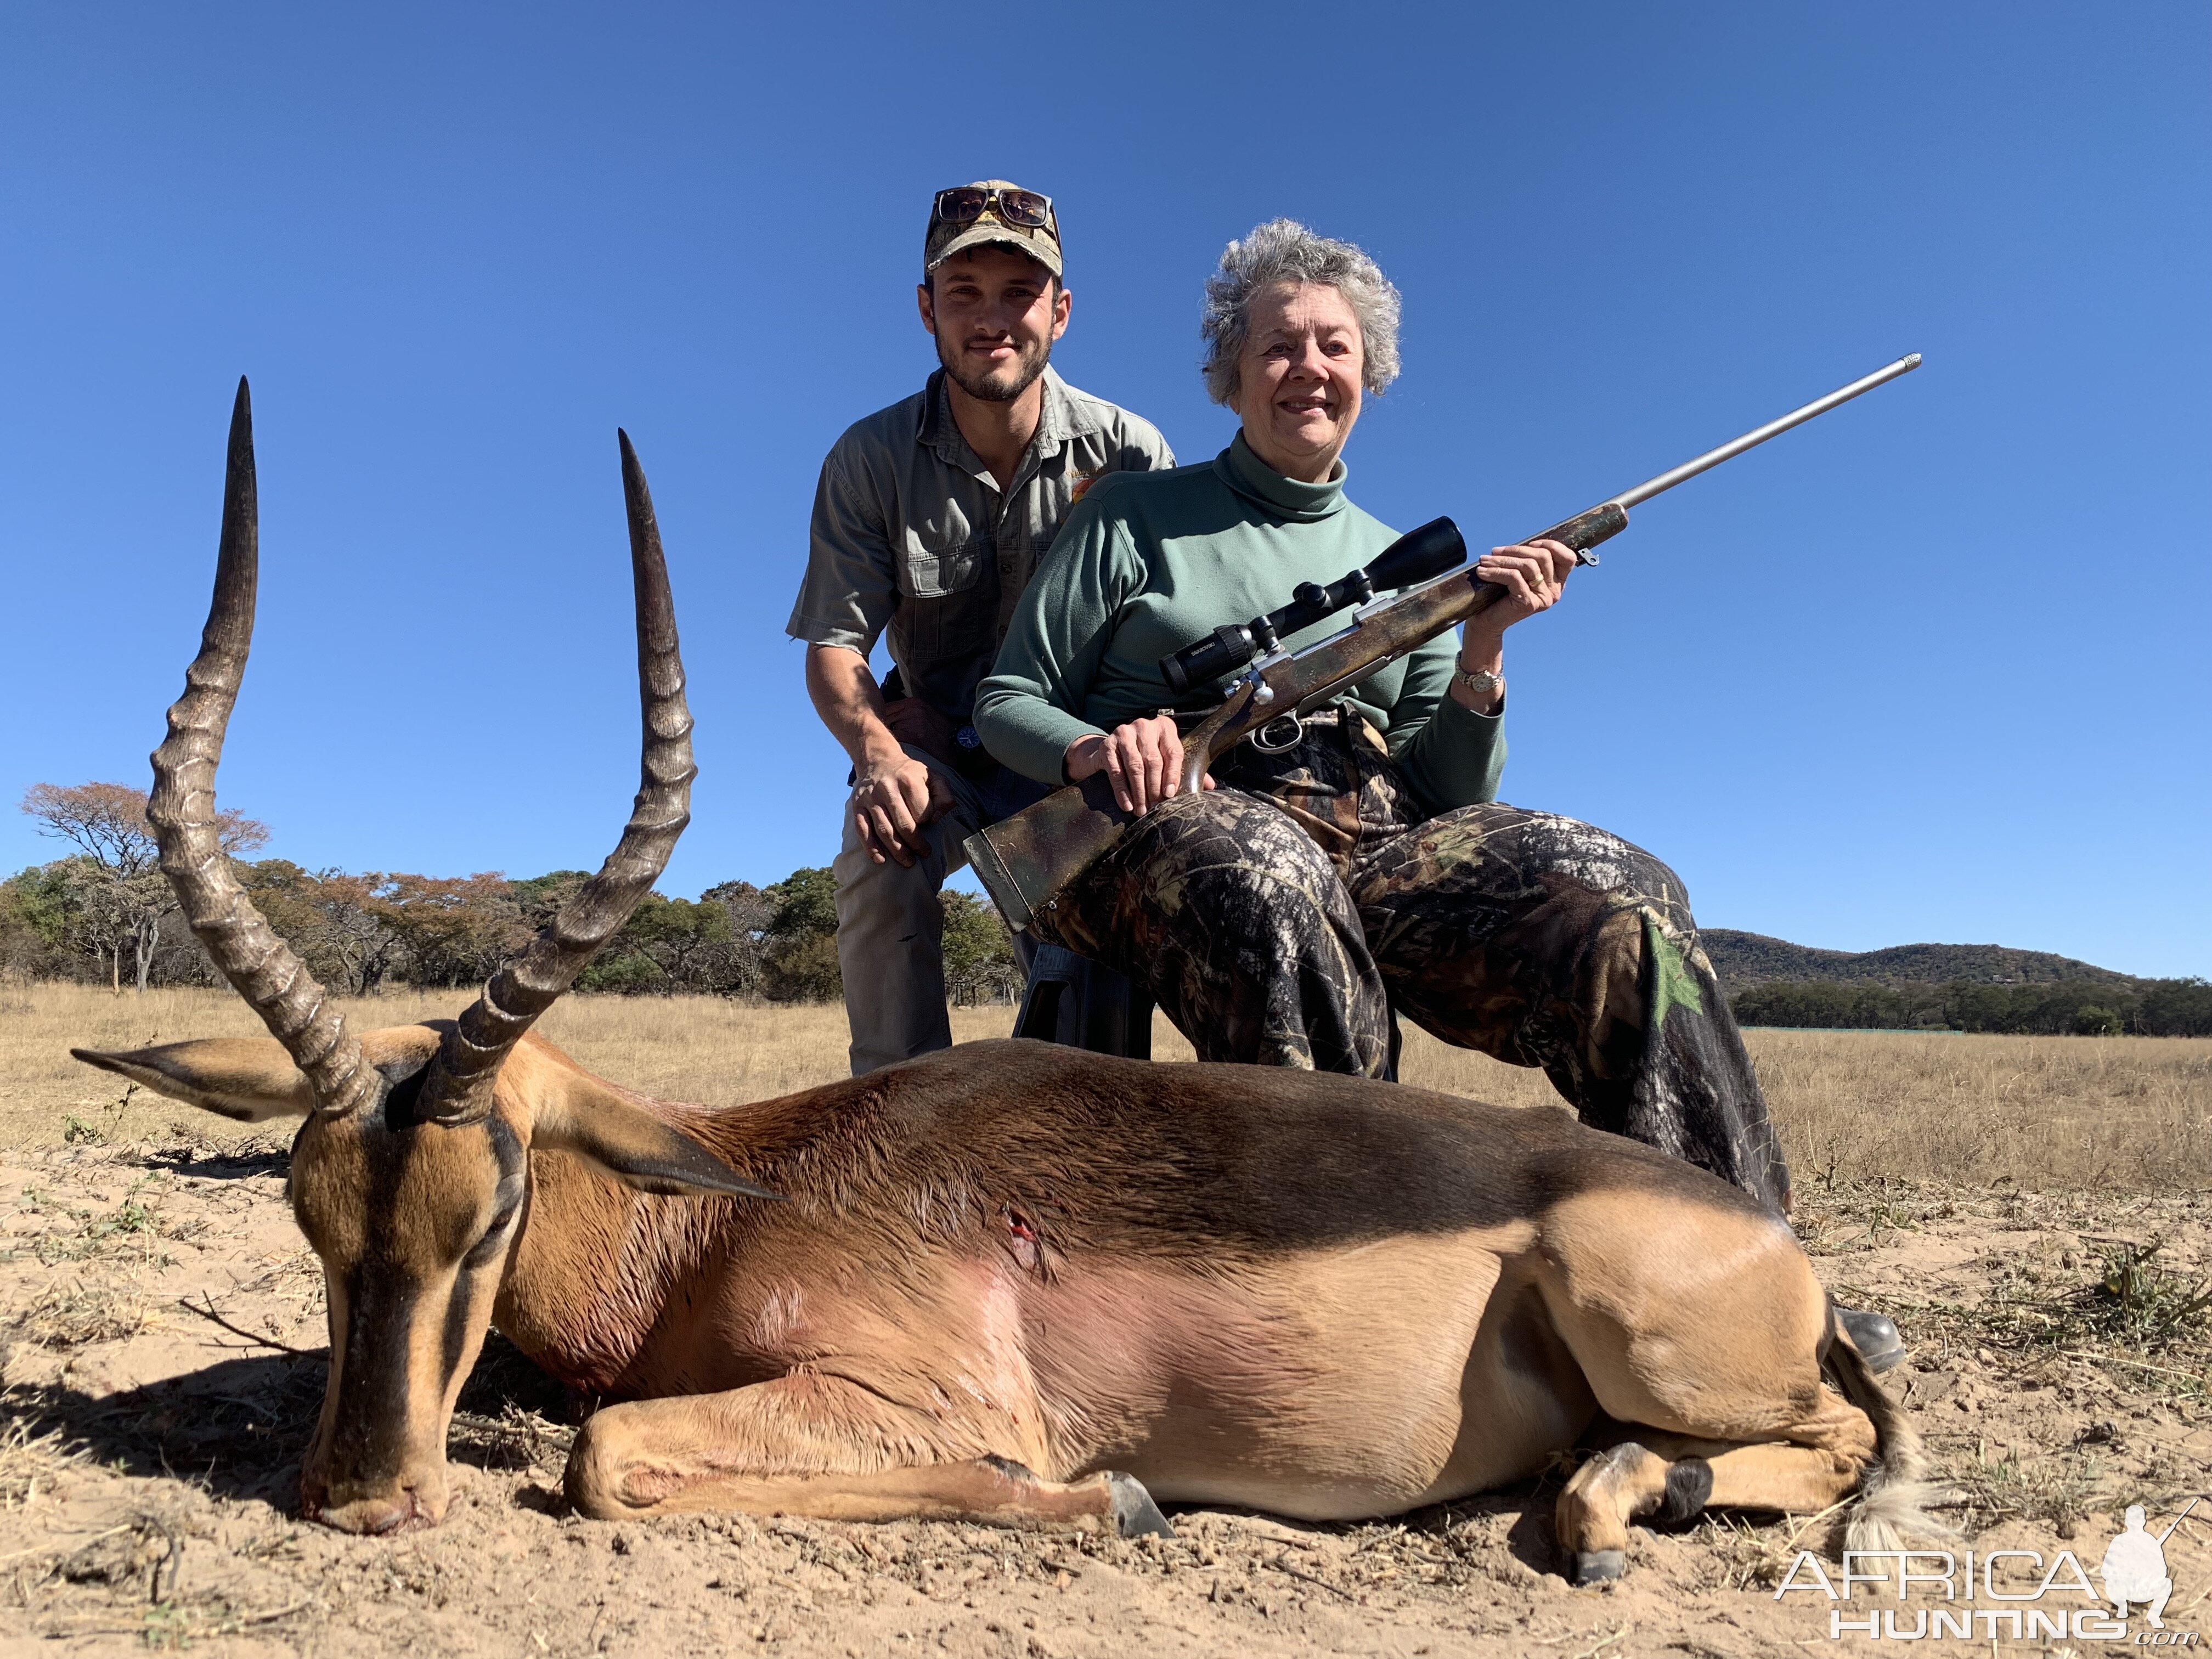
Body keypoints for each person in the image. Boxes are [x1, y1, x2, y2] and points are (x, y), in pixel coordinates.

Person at [978, 216, 1836, 1252]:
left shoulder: (1407, 573)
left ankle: (1739, 1265)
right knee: (1268, 874)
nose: (1309, 368)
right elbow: (1009, 700)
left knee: (1623, 889)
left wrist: (1483, 652)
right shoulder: (1130, 517)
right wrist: (1094, 750)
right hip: (1177, 826)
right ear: (1232, 374)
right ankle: (1344, 1268)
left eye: (1335, 346)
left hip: (1374, 841)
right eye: (1279, 345)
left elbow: (1451, 796)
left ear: (1369, 373)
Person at [788, 181, 1175, 1076]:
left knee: (1085, 996)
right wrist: (881, 752)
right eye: (963, 292)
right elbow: (835, 649)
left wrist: (1111, 750)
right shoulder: (868, 458)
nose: (992, 318)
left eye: (1019, 293)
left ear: (1062, 312)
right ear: (927, 309)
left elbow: (1167, 654)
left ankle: (1085, 1130)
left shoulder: (1133, 456)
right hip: (936, 756)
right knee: (880, 845)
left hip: (1072, 760)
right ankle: (892, 1126)